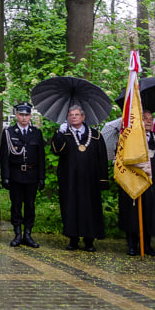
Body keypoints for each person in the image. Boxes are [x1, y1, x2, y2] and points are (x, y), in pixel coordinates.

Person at [51, 105, 109, 252]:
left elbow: (102, 158)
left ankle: (89, 240)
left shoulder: (95, 135)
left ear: (83, 117)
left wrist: (103, 180)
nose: (74, 117)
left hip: (91, 180)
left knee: (90, 209)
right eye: (71, 115)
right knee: (71, 208)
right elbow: (57, 151)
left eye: (77, 114)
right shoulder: (64, 134)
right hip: (70, 180)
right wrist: (59, 135)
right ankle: (73, 239)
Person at [118, 110, 155, 256]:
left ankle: (147, 245)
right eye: (145, 118)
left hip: (153, 184)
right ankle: (132, 245)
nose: (148, 121)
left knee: (150, 214)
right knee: (133, 214)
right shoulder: (130, 138)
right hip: (134, 181)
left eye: (151, 119)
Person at [0, 102, 45, 248]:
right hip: (15, 175)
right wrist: (5, 176)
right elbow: (4, 157)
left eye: (26, 115)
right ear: (17, 115)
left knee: (30, 206)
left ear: (30, 116)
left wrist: (41, 177)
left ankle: (28, 234)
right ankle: (17, 234)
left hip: (32, 175)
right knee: (16, 206)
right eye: (21, 115)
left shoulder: (36, 133)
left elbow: (41, 157)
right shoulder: (9, 132)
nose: (24, 118)